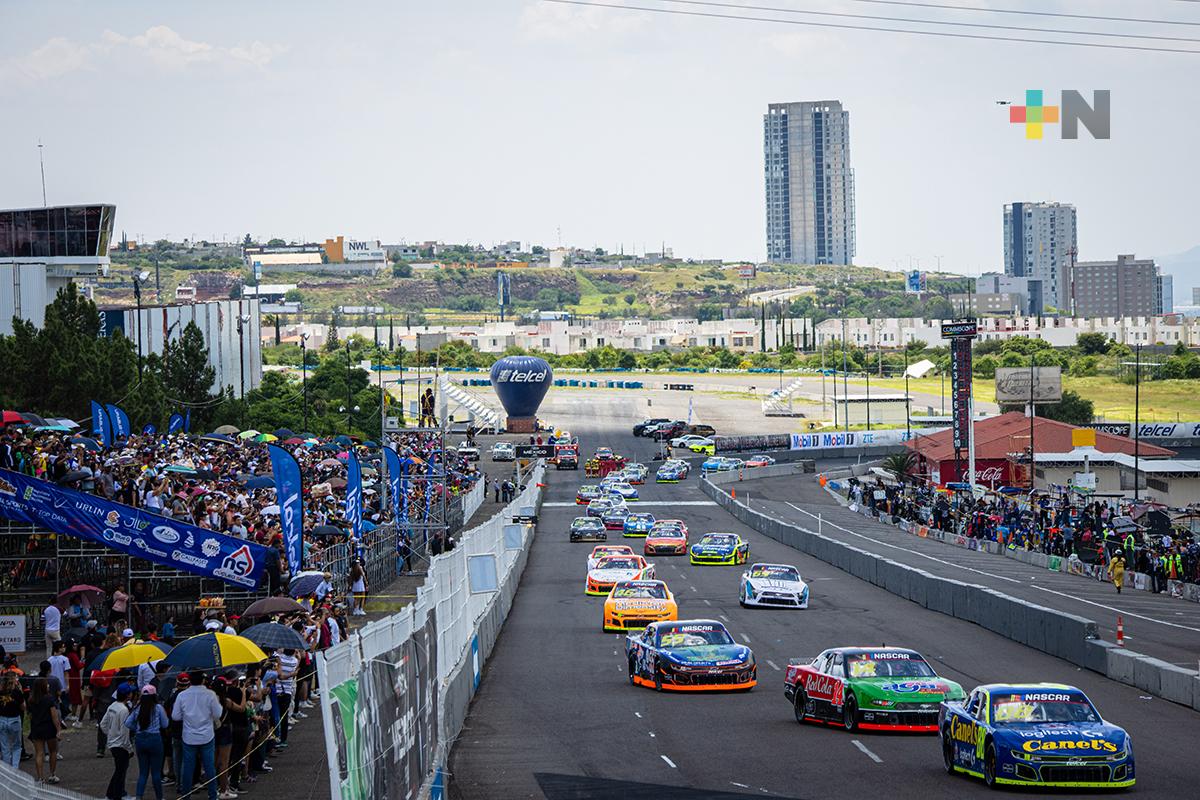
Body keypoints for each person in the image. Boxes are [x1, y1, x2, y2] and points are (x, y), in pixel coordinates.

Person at [172, 669, 222, 800]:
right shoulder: (210, 694)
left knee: (188, 767)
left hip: (189, 736)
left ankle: (186, 795)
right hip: (207, 735)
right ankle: (212, 795)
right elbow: (218, 714)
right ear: (203, 680)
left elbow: (175, 716)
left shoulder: (182, 695)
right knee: (209, 766)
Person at [125, 685, 168, 800]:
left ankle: (139, 796)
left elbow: (128, 723)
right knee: (156, 773)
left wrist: (137, 728)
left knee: (143, 772)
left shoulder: (137, 708)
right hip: (155, 740)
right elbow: (165, 724)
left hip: (140, 739)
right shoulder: (158, 708)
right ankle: (159, 797)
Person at [101, 682, 133, 800]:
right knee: (121, 772)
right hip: (121, 746)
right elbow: (125, 733)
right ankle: (117, 795)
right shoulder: (124, 710)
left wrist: (110, 735)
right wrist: (129, 749)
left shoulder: (113, 705)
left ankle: (111, 794)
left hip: (112, 744)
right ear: (127, 695)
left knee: (119, 771)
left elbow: (103, 724)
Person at [29, 678, 62, 784]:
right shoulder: (49, 699)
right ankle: (52, 774)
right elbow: (54, 716)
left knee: (39, 753)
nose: (48, 686)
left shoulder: (31, 700)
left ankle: (40, 778)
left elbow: (30, 715)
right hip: (49, 728)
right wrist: (58, 730)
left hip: (36, 728)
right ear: (43, 687)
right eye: (47, 685)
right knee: (53, 751)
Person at [0, 672, 24, 767]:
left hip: (2, 719)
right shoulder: (17, 692)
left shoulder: (1, 691)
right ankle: (15, 768)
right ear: (14, 680)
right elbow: (23, 707)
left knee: (5, 747)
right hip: (14, 720)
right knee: (17, 746)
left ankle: (7, 771)